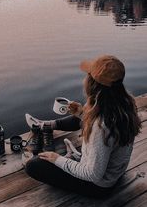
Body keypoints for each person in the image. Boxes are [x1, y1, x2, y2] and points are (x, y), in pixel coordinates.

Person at [24, 55, 142, 198]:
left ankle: (68, 154)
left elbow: (92, 174)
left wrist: (57, 159)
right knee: (86, 113)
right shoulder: (126, 103)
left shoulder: (101, 125)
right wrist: (80, 113)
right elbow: (99, 125)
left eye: (88, 75)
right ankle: (46, 125)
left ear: (92, 83)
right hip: (114, 172)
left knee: (33, 165)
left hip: (99, 186)